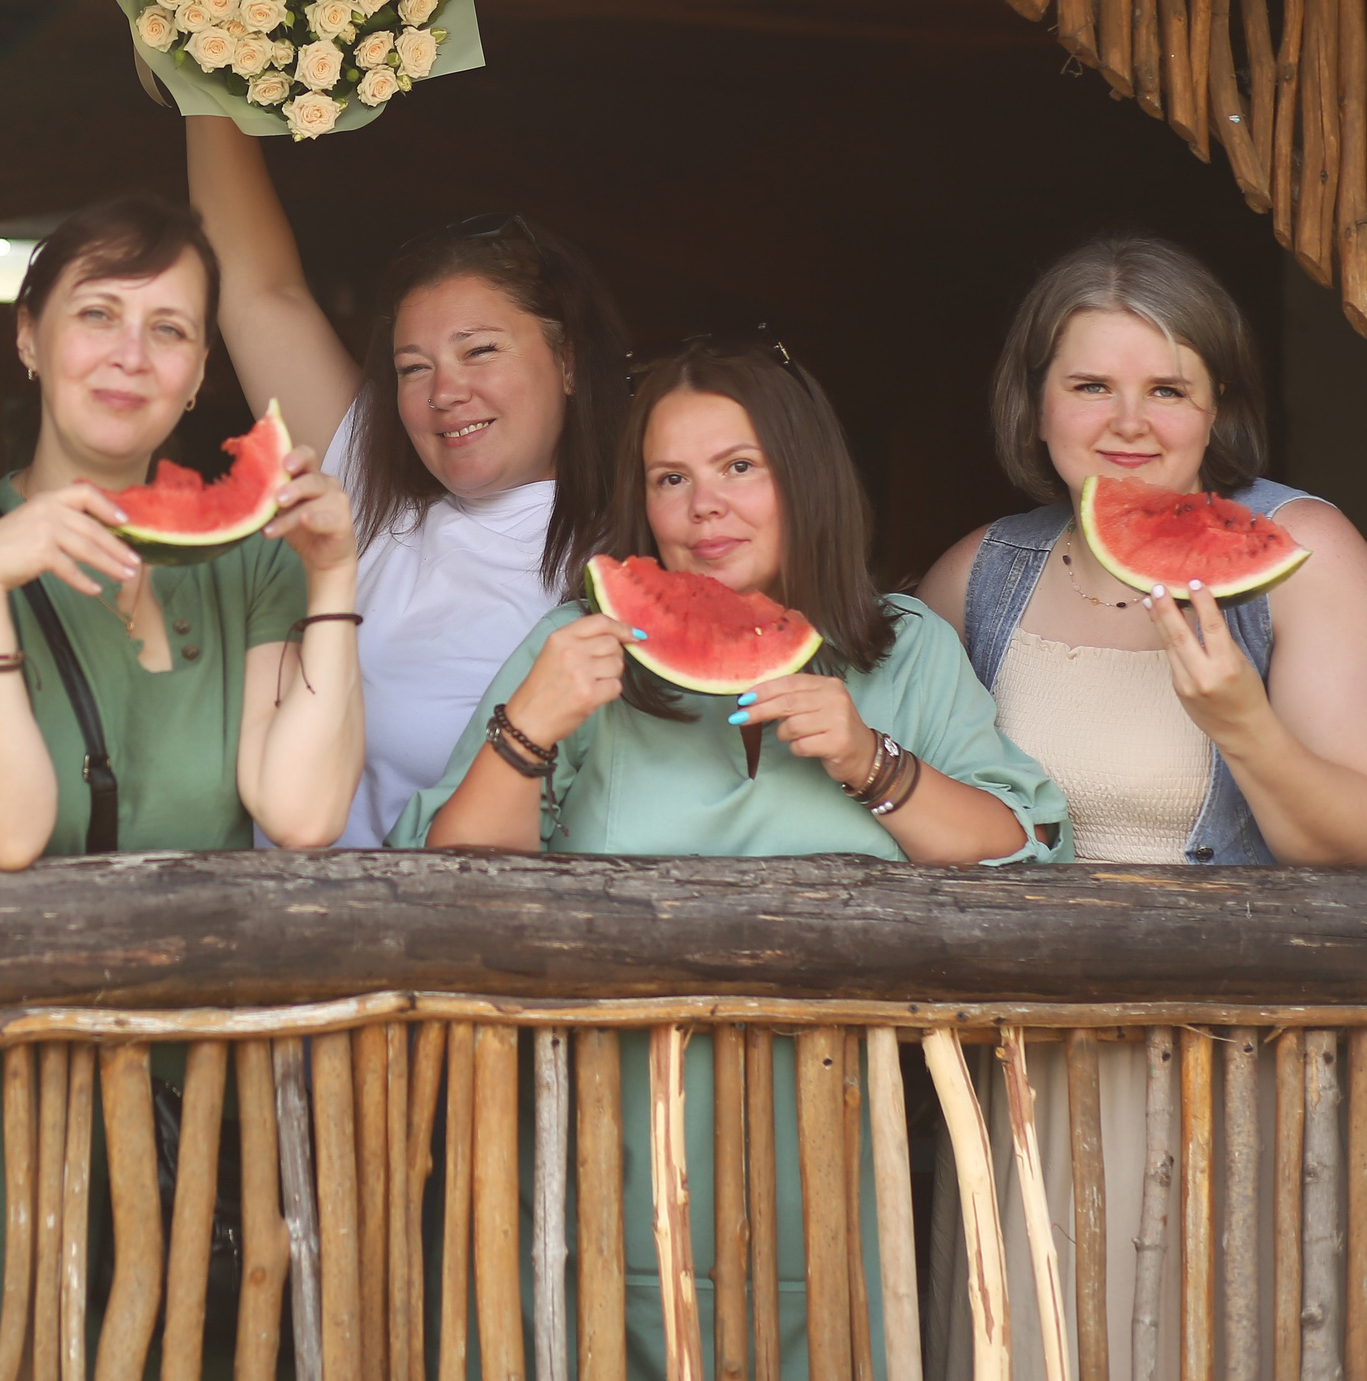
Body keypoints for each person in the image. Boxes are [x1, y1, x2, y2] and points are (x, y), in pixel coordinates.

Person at [392, 336, 1067, 1379]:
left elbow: (1020, 856)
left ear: (805, 476)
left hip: (842, 1171)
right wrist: (529, 727)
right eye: (670, 479)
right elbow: (449, 885)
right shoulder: (579, 647)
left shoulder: (903, 648)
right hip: (603, 1166)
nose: (702, 507)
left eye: (738, 467)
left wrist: (868, 761)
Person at [915, 236, 1367, 1377]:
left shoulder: (1298, 554)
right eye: (1090, 386)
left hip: (1230, 1075)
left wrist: (1242, 723)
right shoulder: (979, 574)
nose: (1127, 423)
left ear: (1216, 407)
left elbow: (1362, 833)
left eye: (1167, 388)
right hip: (1026, 1088)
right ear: (1035, 406)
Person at [0, 193, 363, 1371]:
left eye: (169, 329)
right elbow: (7, 832)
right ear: (27, 337)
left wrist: (332, 580)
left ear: (199, 367)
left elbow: (302, 810)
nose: (131, 354)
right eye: (97, 315)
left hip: (201, 1091)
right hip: (10, 1084)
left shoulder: (254, 560)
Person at [188, 115, 629, 845]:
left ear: (572, 360)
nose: (443, 391)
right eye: (412, 367)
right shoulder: (369, 491)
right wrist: (201, 53)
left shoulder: (638, 550)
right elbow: (258, 292)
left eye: (479, 350)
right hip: (284, 932)